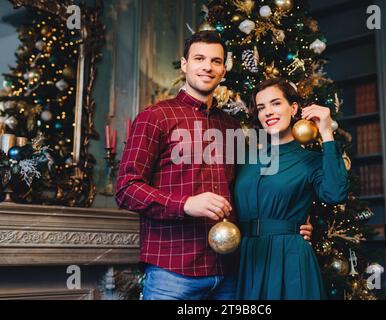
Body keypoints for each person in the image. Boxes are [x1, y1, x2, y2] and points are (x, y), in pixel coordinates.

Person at [115, 31, 313, 300]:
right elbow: (126, 188)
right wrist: (185, 204)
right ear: (184, 64)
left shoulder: (231, 127)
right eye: (199, 58)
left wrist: (290, 223)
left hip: (229, 271)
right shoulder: (156, 117)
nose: (208, 67)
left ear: (223, 70)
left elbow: (251, 189)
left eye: (216, 61)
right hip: (173, 272)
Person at [234, 77, 349, 300]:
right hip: (246, 258)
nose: (268, 112)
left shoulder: (310, 160)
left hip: (289, 258)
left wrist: (326, 132)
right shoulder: (244, 158)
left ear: (293, 107)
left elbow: (335, 194)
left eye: (276, 103)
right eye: (261, 107)